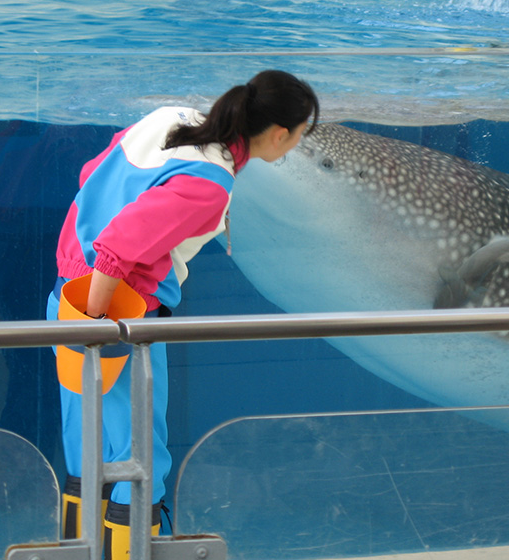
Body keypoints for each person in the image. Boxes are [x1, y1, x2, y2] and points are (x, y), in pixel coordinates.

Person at [46, 70, 319, 559]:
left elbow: (92, 173)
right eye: (300, 136)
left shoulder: (172, 118)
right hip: (117, 314)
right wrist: (97, 325)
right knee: (141, 456)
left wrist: (78, 307)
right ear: (280, 134)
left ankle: (79, 551)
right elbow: (115, 248)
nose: (294, 145)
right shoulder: (212, 181)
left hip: (67, 290)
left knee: (85, 443)